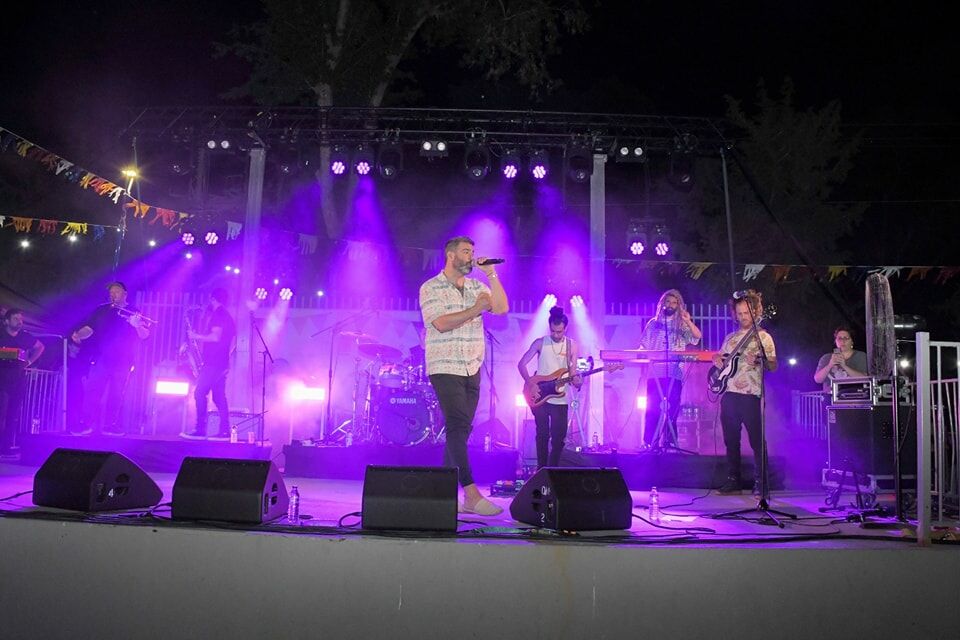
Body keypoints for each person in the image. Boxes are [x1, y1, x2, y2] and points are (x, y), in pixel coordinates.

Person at [419, 236, 508, 516]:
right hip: (445, 365)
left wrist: (491, 274)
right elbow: (441, 323)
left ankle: (443, 496)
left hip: (472, 366)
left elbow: (502, 308)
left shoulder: (477, 286)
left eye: (472, 251)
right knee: (458, 426)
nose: (471, 256)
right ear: (451, 255)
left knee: (460, 431)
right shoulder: (431, 287)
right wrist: (475, 310)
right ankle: (470, 493)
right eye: (466, 251)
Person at [712, 291, 777, 495]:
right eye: (739, 313)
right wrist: (716, 360)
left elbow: (773, 365)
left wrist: (759, 360)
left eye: (746, 313)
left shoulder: (763, 337)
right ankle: (734, 480)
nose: (742, 317)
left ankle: (761, 483)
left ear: (755, 312)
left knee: (757, 440)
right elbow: (720, 358)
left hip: (751, 394)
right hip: (729, 393)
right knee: (731, 440)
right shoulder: (730, 338)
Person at [72, 282, 149, 435]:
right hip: (101, 358)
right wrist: (78, 334)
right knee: (93, 390)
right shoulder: (102, 310)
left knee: (117, 393)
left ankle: (110, 424)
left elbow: (145, 335)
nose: (113, 295)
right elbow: (89, 328)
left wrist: (137, 325)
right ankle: (86, 423)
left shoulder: (134, 311)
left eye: (116, 292)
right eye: (111, 292)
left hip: (123, 360)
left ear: (125, 294)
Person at [518, 306, 582, 468]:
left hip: (560, 398)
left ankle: (552, 470)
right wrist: (531, 384)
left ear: (565, 328)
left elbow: (573, 373)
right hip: (540, 394)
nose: (556, 335)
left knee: (559, 439)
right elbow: (521, 364)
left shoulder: (572, 346)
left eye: (559, 332)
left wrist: (577, 382)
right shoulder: (540, 343)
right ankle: (541, 471)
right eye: (553, 331)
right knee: (542, 435)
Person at [638, 289, 702, 450]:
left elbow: (697, 337)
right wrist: (639, 354)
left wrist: (688, 321)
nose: (671, 305)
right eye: (668, 302)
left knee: (673, 407)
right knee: (652, 407)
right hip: (655, 372)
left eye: (674, 303)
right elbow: (643, 345)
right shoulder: (653, 323)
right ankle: (649, 442)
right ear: (662, 304)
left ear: (679, 306)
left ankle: (670, 441)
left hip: (675, 372)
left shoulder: (682, 324)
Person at [182, 288, 236, 440]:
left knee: (199, 393)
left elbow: (215, 337)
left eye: (210, 299)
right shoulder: (228, 316)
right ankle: (224, 431)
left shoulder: (219, 314)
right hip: (221, 363)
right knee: (218, 397)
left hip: (213, 363)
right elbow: (231, 342)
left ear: (213, 299)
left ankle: (200, 429)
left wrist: (195, 336)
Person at [0, 309, 44, 458]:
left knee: (13, 415)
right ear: (6, 321)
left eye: (21, 319)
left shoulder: (24, 336)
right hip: (2, 380)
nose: (20, 321)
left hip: (18, 381)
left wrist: (29, 361)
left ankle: (6, 448)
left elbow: (40, 346)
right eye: (16, 318)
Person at [813, 326, 868, 392]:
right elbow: (818, 380)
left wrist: (844, 366)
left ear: (852, 341)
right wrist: (830, 365)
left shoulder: (860, 356)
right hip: (830, 395)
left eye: (846, 338)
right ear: (835, 341)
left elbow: (865, 378)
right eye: (839, 338)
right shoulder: (826, 357)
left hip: (854, 395)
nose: (843, 341)